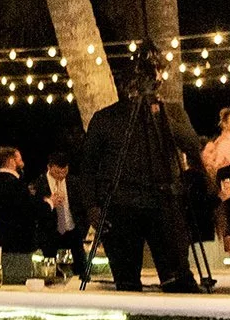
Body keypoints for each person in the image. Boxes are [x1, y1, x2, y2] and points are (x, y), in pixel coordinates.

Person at [80, 54, 203, 292]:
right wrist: (92, 207)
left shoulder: (171, 112)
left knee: (178, 280)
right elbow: (87, 167)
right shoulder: (106, 118)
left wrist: (160, 114)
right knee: (126, 282)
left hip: (164, 202)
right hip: (120, 206)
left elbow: (191, 144)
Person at [0, 146, 43, 280]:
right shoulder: (13, 184)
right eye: (19, 158)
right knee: (17, 282)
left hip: (4, 240)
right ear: (11, 161)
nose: (22, 162)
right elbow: (27, 210)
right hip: (18, 244)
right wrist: (48, 203)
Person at [36, 150, 88, 279]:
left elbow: (82, 207)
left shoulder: (74, 183)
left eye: (64, 172)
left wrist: (82, 228)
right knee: (50, 263)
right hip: (50, 230)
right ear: (49, 167)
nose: (61, 175)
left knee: (81, 263)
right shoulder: (39, 183)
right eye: (58, 172)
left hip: (72, 227)